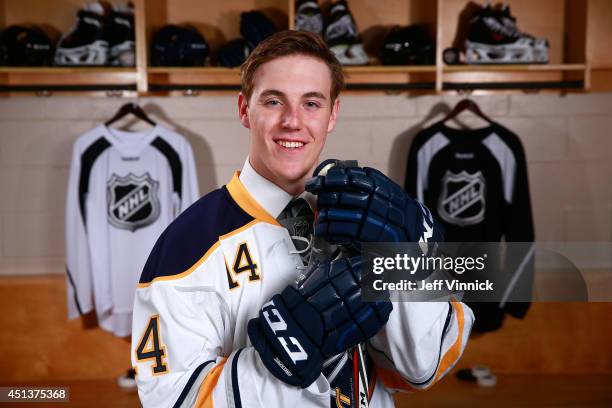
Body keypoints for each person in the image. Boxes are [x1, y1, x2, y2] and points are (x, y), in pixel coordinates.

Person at [131, 30, 474, 407]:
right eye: (274, 101)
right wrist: (285, 356)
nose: (293, 121)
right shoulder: (188, 244)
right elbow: (170, 401)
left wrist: (409, 253)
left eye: (311, 103)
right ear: (245, 110)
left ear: (333, 114)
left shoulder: (368, 216)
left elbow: (424, 366)